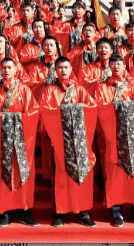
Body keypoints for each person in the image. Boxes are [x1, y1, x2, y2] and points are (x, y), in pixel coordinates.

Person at [92, 54, 134, 227]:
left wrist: (127, 107)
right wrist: (120, 106)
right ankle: (116, 209)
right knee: (114, 172)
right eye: (113, 64)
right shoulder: (102, 87)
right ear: (109, 66)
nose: (116, 66)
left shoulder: (131, 86)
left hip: (131, 137)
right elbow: (100, 107)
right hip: (114, 136)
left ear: (125, 66)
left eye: (119, 63)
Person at [39, 56, 97, 228]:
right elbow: (46, 110)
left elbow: (92, 107)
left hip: (79, 139)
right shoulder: (50, 90)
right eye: (60, 68)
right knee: (61, 176)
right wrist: (66, 113)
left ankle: (83, 211)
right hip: (60, 139)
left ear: (71, 69)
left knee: (83, 172)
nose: (63, 70)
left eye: (66, 67)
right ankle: (60, 211)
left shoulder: (79, 89)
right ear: (55, 70)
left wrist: (73, 110)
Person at [0, 57, 40, 227]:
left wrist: (13, 120)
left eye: (10, 67)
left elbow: (33, 112)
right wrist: (7, 120)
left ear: (16, 70)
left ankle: (25, 211)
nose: (7, 70)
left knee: (24, 174)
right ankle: (4, 212)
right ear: (0, 70)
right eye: (4, 68)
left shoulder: (24, 89)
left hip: (22, 141)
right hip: (2, 139)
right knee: (4, 174)